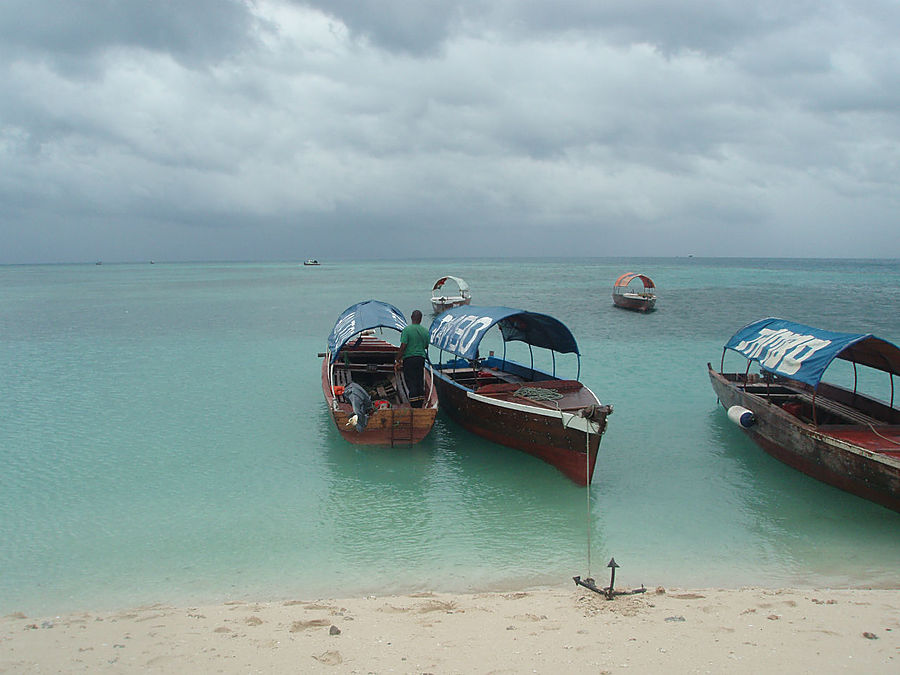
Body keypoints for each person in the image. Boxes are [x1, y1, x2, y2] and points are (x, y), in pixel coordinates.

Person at [395, 309, 429, 408]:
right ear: (421, 319)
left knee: (411, 380)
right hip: (421, 358)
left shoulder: (407, 330)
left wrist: (398, 358)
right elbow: (426, 346)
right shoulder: (425, 331)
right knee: (419, 380)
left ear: (411, 318)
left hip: (409, 359)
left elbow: (403, 345)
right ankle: (420, 403)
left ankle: (414, 404)